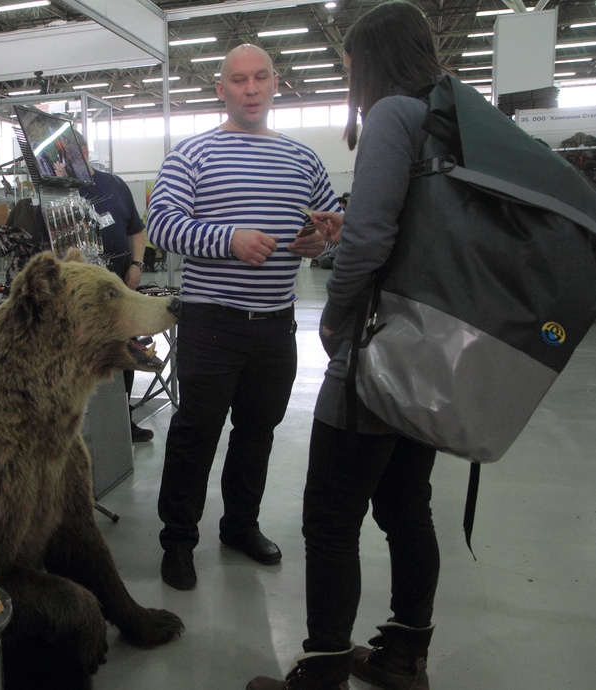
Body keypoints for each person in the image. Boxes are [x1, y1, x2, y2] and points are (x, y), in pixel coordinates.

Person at [246, 3, 442, 688]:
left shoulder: (391, 114)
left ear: (373, 62)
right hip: (432, 349)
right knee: (406, 507)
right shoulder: (446, 117)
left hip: (378, 347)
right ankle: (404, 658)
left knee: (330, 518)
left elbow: (368, 242)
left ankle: (323, 670)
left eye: (351, 66)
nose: (350, 78)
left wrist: (333, 314)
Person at [146, 43, 339, 591]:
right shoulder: (192, 154)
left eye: (260, 77)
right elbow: (161, 224)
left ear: (275, 83)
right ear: (221, 89)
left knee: (257, 433)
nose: (251, 89)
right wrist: (227, 239)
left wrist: (319, 242)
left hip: (277, 324)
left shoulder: (304, 160)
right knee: (196, 433)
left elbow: (329, 224)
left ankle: (239, 526)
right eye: (238, 79)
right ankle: (178, 540)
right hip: (211, 322)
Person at [74, 129, 154, 442]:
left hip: (121, 283)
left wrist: (137, 265)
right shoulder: (55, 191)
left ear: (83, 151)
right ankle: (79, 426)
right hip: (82, 293)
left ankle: (122, 422)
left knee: (124, 350)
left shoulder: (115, 185)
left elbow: (136, 230)